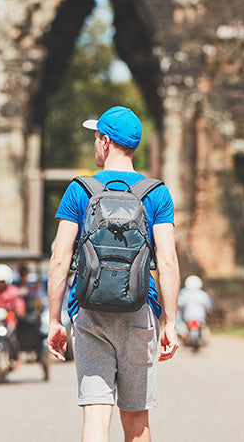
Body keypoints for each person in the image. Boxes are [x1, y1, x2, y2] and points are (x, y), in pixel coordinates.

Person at [47, 106, 180, 442]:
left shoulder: (80, 189)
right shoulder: (156, 192)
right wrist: (170, 322)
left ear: (105, 142)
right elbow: (167, 262)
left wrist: (54, 320)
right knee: (136, 417)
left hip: (89, 311)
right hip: (139, 309)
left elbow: (60, 259)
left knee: (96, 410)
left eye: (96, 137)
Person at [176, 275, 213, 341]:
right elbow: (208, 306)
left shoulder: (184, 294)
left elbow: (180, 305)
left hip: (187, 318)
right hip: (200, 318)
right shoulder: (203, 294)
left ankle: (182, 334)